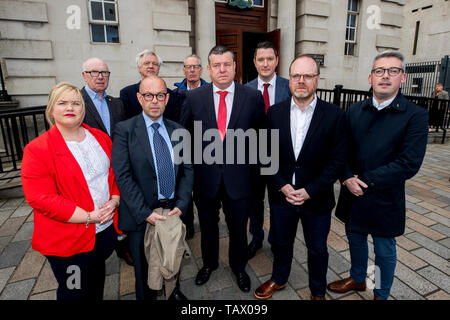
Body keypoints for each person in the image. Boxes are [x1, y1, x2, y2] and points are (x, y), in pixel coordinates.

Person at [327, 51, 428, 300]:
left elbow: (409, 163)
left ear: (402, 77)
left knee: (384, 249)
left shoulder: (415, 115)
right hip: (353, 192)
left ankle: (381, 294)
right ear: (370, 77)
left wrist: (367, 181)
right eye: (379, 71)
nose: (385, 76)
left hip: (385, 196)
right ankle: (358, 278)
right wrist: (347, 177)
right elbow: (342, 150)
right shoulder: (353, 111)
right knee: (355, 238)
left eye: (392, 71)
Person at [253, 54, 347, 300]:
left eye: (308, 75)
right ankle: (279, 278)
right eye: (296, 75)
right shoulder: (274, 113)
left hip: (316, 199)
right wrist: (282, 186)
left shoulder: (335, 115)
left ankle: (317, 292)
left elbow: (337, 161)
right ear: (290, 79)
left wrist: (310, 190)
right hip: (281, 195)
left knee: (317, 249)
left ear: (317, 79)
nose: (301, 80)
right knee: (281, 244)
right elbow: (265, 155)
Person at [21, 82, 121, 300]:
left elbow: (113, 174)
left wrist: (114, 200)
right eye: (63, 103)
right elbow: (41, 198)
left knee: (96, 284)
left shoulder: (100, 137)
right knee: (74, 291)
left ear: (83, 109)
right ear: (51, 110)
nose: (70, 108)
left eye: (76, 103)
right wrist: (88, 216)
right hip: (67, 241)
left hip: (102, 231)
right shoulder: (37, 149)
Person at [180, 45, 266, 293]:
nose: (222, 69)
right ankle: (209, 264)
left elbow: (261, 138)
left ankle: (239, 267)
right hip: (205, 179)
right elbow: (185, 138)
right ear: (208, 68)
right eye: (216, 65)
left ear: (235, 66)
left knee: (238, 227)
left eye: (227, 64)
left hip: (239, 180)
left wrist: (256, 177)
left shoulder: (251, 97)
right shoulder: (194, 97)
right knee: (207, 225)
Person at [112, 76, 193, 300]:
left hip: (172, 211)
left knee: (172, 257)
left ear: (167, 98)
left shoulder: (179, 130)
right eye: (148, 95)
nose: (154, 100)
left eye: (159, 95)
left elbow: (188, 170)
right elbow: (123, 175)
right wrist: (144, 213)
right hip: (141, 215)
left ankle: (173, 292)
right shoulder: (124, 130)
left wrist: (182, 203)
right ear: (139, 98)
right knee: (145, 270)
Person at [81, 57, 133, 266]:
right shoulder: (77, 102)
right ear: (84, 75)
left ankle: (122, 248)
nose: (100, 77)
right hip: (91, 171)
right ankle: (93, 249)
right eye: (95, 72)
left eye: (104, 73)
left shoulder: (116, 103)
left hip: (117, 168)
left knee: (120, 207)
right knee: (97, 208)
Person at [245, 41, 291, 259]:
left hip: (280, 158)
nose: (265, 63)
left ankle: (276, 238)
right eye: (260, 59)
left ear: (277, 61)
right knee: (255, 201)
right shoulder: (244, 89)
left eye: (269, 59)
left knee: (278, 201)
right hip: (253, 158)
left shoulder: (289, 87)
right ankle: (256, 237)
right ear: (254, 62)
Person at [173, 54, 208, 239]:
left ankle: (207, 222)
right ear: (184, 70)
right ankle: (188, 227)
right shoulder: (175, 93)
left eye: (195, 67)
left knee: (203, 192)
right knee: (184, 189)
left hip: (206, 151)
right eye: (188, 67)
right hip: (183, 149)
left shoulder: (210, 91)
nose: (192, 70)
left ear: (201, 70)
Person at [119, 50, 180, 121]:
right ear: (139, 68)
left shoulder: (171, 95)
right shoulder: (127, 93)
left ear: (158, 69)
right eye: (147, 63)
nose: (151, 66)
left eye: (155, 64)